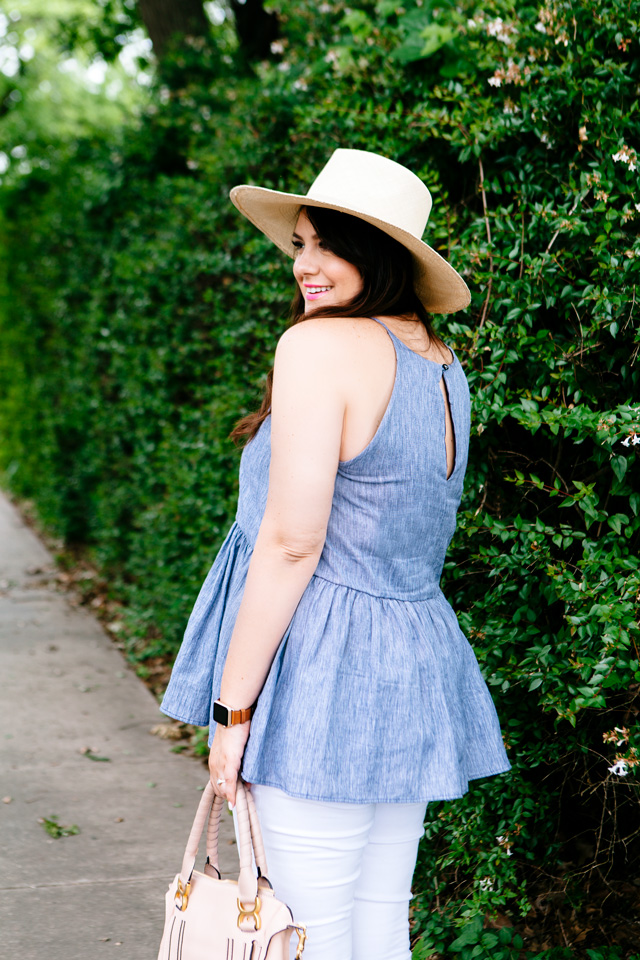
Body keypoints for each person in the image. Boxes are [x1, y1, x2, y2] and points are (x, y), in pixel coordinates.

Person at [160, 148, 511, 959]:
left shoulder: (321, 348)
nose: (306, 266)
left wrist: (231, 712)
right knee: (377, 919)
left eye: (330, 244)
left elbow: (289, 544)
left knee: (303, 932)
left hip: (323, 672)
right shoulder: (441, 362)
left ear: (382, 252)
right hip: (411, 661)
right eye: (301, 245)